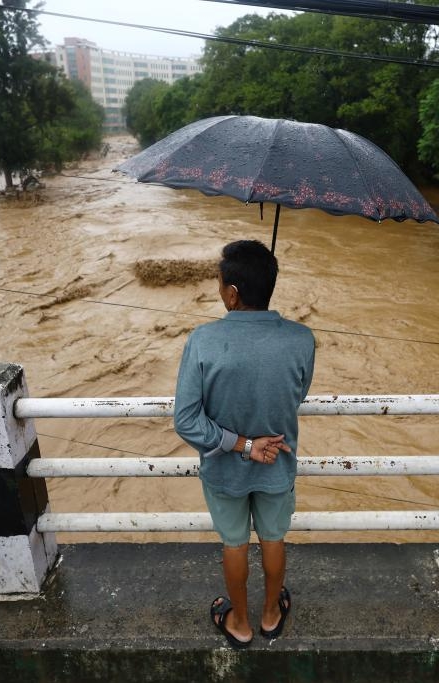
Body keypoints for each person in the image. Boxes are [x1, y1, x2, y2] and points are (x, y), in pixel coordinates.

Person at [173, 240, 315, 649]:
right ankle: (271, 614)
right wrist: (258, 440)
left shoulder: (203, 340)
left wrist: (240, 444)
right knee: (273, 538)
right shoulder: (302, 338)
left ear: (233, 293)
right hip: (278, 463)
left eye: (220, 284)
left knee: (234, 543)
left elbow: (185, 419)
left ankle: (240, 622)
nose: (219, 291)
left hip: (224, 469)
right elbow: (297, 393)